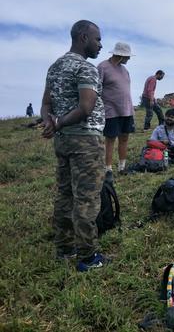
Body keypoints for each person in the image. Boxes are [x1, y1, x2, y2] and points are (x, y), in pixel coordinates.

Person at [40, 20, 108, 271]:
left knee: (65, 193)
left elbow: (46, 103)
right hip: (85, 140)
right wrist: (56, 122)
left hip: (63, 141)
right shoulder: (85, 68)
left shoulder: (55, 67)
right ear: (83, 38)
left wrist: (52, 121)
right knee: (87, 197)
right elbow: (86, 107)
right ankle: (88, 257)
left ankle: (64, 248)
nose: (100, 45)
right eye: (97, 39)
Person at [97, 42, 135, 177]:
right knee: (110, 140)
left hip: (127, 110)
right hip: (111, 111)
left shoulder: (124, 70)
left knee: (124, 138)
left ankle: (122, 167)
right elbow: (96, 89)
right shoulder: (103, 67)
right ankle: (108, 169)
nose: (129, 58)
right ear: (120, 55)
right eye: (127, 56)